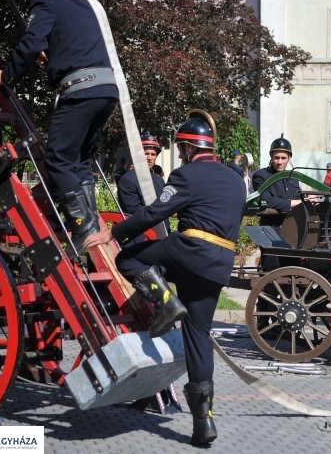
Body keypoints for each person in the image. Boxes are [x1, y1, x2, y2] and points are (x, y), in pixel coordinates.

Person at [84, 110, 245, 446]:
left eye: (181, 149)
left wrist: (112, 234)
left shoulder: (186, 175)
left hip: (189, 250)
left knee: (128, 258)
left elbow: (155, 212)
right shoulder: (235, 178)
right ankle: (205, 422)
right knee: (199, 337)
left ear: (187, 148)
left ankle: (166, 302)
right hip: (219, 263)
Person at [0, 0, 119, 254]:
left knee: (57, 157)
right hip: (107, 89)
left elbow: (32, 41)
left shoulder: (42, 1)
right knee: (81, 158)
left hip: (80, 91)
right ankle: (90, 222)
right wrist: (56, 56)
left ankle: (82, 227)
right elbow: (77, 45)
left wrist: (6, 75)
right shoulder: (83, 4)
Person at [252, 134, 301, 226]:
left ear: (289, 158)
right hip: (271, 228)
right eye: (276, 158)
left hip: (292, 229)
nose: (279, 162)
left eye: (283, 158)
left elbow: (299, 197)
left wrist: (307, 199)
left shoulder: (293, 178)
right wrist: (297, 203)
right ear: (271, 156)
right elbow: (266, 200)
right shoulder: (261, 176)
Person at [117, 135, 165, 215]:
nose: (150, 158)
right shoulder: (127, 180)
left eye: (153, 154)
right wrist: (163, 209)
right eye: (146, 153)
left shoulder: (159, 180)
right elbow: (134, 211)